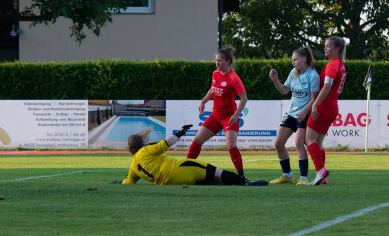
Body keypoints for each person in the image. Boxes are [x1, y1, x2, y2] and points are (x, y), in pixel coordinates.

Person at [112, 124, 267, 186]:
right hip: (179, 168)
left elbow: (128, 182)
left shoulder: (133, 165)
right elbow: (167, 143)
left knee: (206, 179)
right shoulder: (146, 151)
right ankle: (245, 182)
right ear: (141, 144)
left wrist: (119, 182)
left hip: (171, 183)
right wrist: (181, 132)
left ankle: (222, 183)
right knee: (216, 172)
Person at [186, 46, 248, 180]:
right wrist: (203, 101)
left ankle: (242, 176)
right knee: (197, 140)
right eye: (216, 60)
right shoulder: (215, 73)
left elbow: (244, 98)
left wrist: (236, 115)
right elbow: (213, 89)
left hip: (229, 117)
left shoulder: (234, 78)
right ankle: (186, 167)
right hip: (216, 116)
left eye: (220, 61)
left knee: (231, 145)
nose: (217, 63)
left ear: (228, 62)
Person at [268, 47, 320, 185]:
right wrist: (275, 80)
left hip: (305, 115)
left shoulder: (313, 75)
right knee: (278, 144)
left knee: (298, 144)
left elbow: (314, 99)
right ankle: (287, 175)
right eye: (292, 60)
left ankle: (303, 178)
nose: (293, 62)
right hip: (291, 114)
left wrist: (304, 112)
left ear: (304, 59)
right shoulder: (293, 72)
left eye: (295, 59)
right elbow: (284, 90)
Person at [306, 36, 347, 185]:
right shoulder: (340, 64)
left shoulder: (332, 65)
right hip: (332, 106)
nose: (325, 48)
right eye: (325, 46)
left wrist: (315, 104)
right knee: (318, 141)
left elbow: (327, 86)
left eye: (328, 46)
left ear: (337, 49)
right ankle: (321, 176)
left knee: (308, 139)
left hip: (324, 106)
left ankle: (320, 171)